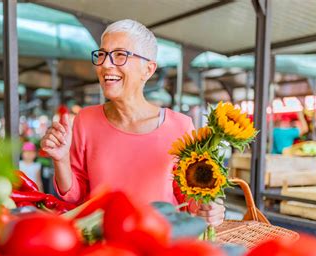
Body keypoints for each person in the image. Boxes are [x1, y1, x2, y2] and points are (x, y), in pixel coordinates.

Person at [40, 19, 225, 226]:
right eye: (102, 55)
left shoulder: (181, 127)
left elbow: (188, 199)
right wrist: (61, 159)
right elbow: (74, 197)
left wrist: (208, 209)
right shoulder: (85, 120)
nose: (105, 64)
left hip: (159, 244)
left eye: (120, 55)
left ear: (148, 69)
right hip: (102, 244)